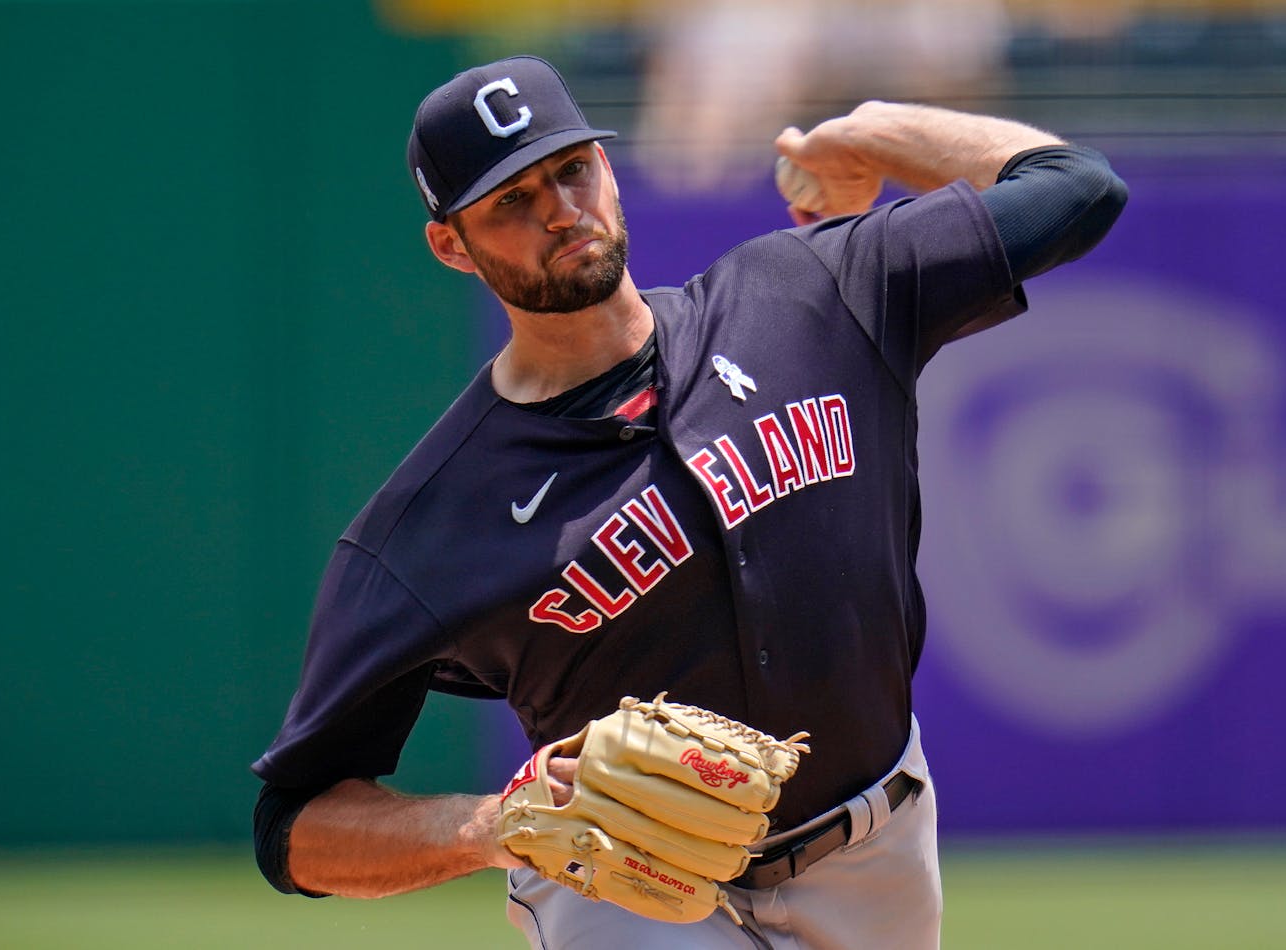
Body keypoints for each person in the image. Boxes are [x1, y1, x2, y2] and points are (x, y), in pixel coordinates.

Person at [251, 54, 1127, 949]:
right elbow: (295, 825)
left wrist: (876, 132)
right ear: (451, 244)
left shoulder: (810, 294)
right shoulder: (428, 527)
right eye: (511, 201)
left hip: (880, 863)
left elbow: (1075, 188)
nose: (559, 210)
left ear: (608, 169)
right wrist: (488, 826)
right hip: (626, 897)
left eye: (571, 169)